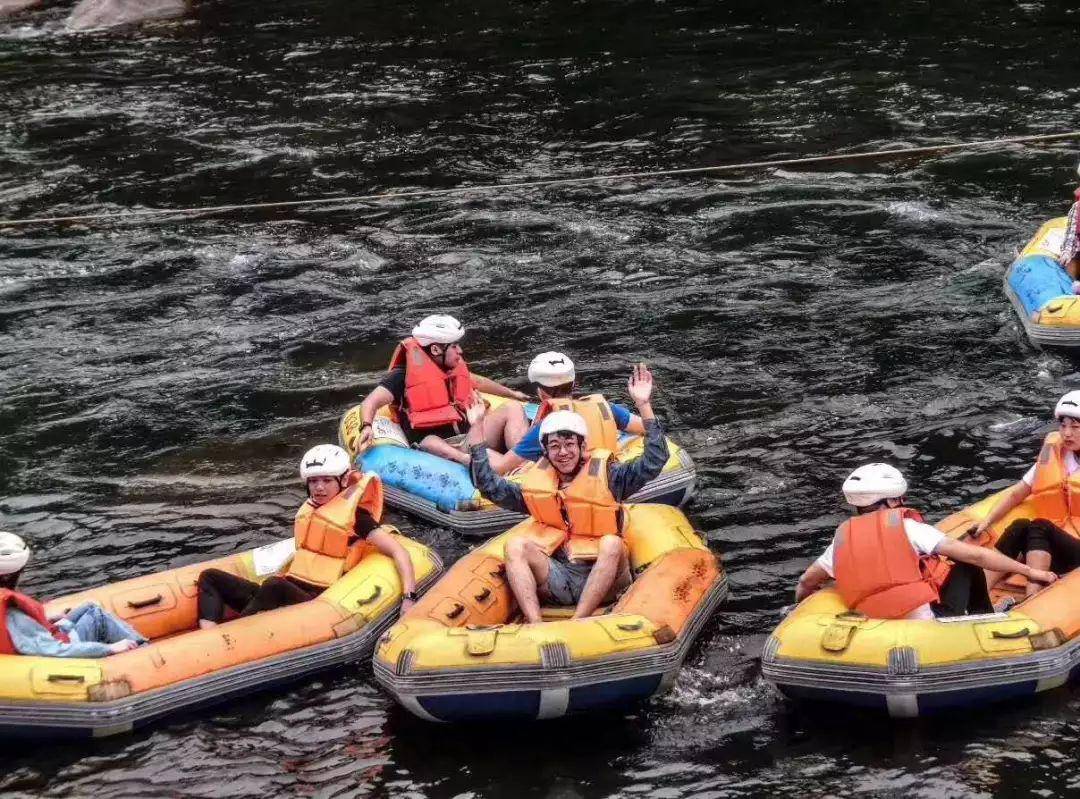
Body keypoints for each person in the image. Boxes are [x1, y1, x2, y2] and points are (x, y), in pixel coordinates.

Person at [466, 363, 667, 623]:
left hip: (606, 577)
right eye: (555, 446)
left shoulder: (612, 478)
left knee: (611, 543)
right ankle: (535, 624)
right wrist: (477, 427)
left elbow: (655, 460)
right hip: (559, 575)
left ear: (582, 447)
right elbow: (489, 486)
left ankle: (578, 623)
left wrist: (644, 405)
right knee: (516, 545)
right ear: (546, 453)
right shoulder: (537, 487)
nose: (563, 452)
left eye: (570, 444)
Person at [794, 463, 1057, 620]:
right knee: (965, 565)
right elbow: (976, 556)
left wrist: (800, 610)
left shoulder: (840, 541)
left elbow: (806, 582)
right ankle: (986, 618)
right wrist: (1030, 571)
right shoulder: (909, 529)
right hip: (928, 625)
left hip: (874, 624)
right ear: (893, 500)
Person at [197, 444, 418, 627]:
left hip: (315, 601)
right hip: (287, 588)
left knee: (274, 585)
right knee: (210, 576)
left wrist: (408, 598)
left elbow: (399, 552)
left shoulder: (356, 517)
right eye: (313, 481)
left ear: (343, 480)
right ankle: (209, 634)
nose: (319, 488)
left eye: (326, 480)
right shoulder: (311, 509)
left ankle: (231, 637)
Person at [353, 315, 529, 464]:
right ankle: (474, 463)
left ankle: (522, 462)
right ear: (436, 349)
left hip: (471, 436)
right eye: (453, 346)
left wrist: (512, 394)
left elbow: (479, 382)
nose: (460, 351)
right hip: (442, 448)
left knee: (513, 407)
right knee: (431, 442)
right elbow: (371, 402)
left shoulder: (453, 369)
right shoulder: (402, 376)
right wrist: (367, 426)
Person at [971, 390, 1080, 596]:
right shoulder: (1055, 454)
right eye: (1063, 426)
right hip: (1056, 542)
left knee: (1040, 527)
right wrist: (987, 522)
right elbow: (1018, 492)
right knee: (1020, 526)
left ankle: (1033, 597)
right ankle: (978, 597)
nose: (1067, 433)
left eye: (1075, 427)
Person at [484, 351, 650, 474]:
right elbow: (648, 427)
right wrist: (643, 402)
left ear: (541, 393)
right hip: (606, 471)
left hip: (572, 483)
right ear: (574, 385)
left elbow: (500, 468)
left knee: (484, 451)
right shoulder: (606, 408)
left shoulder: (545, 429)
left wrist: (473, 452)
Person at [0, 532, 147, 657]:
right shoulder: (13, 615)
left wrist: (49, 619)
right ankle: (145, 651)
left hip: (41, 637)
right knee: (98, 617)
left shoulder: (11, 613)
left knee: (89, 607)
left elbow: (21, 631)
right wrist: (109, 648)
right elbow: (53, 650)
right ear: (9, 576)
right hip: (60, 648)